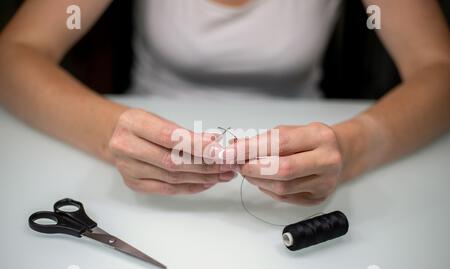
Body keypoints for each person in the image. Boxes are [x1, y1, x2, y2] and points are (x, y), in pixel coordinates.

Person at [0, 0, 449, 205]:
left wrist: (352, 147)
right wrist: (109, 133)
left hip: (304, 164)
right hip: (137, 175)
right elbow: (13, 54)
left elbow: (440, 70)